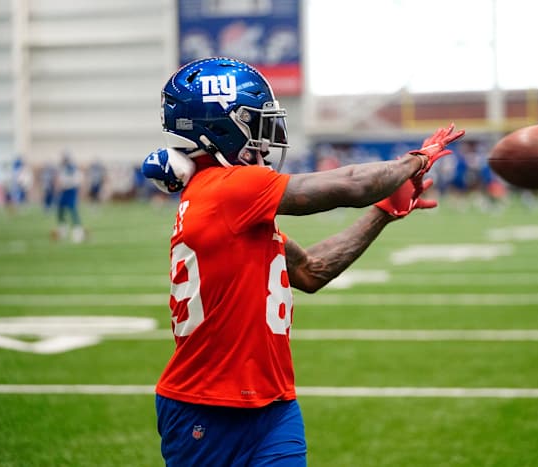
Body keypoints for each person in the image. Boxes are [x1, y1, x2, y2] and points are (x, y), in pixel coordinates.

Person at [141, 57, 464, 467]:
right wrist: (417, 159)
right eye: (256, 125)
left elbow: (312, 270)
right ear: (219, 126)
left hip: (274, 404)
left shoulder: (229, 201)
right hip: (206, 407)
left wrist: (382, 211)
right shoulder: (230, 190)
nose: (265, 140)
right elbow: (352, 184)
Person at [53, 151, 85, 243]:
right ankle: (63, 230)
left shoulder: (71, 167)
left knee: (73, 210)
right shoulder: (63, 167)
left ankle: (77, 232)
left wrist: (60, 186)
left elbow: (73, 180)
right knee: (60, 211)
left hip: (70, 190)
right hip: (65, 191)